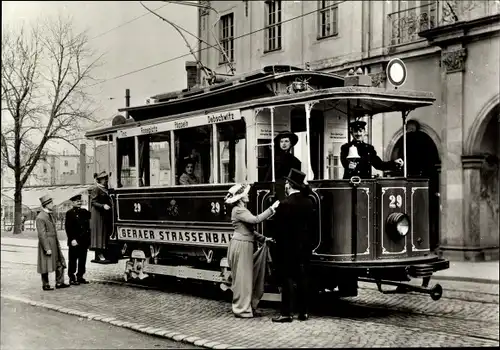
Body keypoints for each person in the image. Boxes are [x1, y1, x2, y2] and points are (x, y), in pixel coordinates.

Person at [225, 183, 279, 318]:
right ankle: (241, 309)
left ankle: (247, 307)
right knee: (243, 279)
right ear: (241, 198)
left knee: (247, 277)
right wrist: (271, 209)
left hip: (244, 244)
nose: (248, 195)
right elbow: (255, 220)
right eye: (246, 194)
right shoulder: (239, 210)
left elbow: (249, 231)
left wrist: (263, 239)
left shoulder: (241, 209)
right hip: (241, 245)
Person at [271, 169, 315, 323]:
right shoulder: (309, 202)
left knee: (287, 278)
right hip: (305, 247)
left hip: (287, 247)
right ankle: (303, 313)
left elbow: (277, 229)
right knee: (303, 278)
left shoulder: (285, 204)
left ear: (289, 185)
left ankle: (286, 313)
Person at [36, 194, 70, 291]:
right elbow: (42, 234)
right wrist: (47, 248)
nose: (52, 204)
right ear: (46, 205)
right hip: (47, 244)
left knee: (60, 262)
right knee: (45, 264)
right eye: (51, 203)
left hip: (54, 242)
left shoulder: (49, 214)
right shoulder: (41, 217)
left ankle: (59, 282)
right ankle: (45, 284)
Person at [264, 131, 302, 199]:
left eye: (286, 141)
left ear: (291, 143)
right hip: (276, 188)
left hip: (291, 189)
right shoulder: (275, 159)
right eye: (281, 141)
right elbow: (269, 175)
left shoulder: (296, 161)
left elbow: (296, 180)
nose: (284, 144)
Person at [65, 194, 91, 285]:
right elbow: (68, 228)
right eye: (77, 201)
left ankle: (80, 276)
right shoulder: (69, 213)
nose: (79, 203)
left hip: (83, 241)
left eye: (80, 201)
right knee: (72, 260)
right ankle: (71, 277)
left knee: (82, 260)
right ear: (72, 203)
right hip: (74, 241)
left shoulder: (84, 212)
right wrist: (72, 239)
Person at [90, 171, 113, 263]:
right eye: (104, 178)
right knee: (99, 232)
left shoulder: (105, 188)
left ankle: (103, 252)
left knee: (104, 232)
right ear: (100, 180)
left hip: (104, 214)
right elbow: (93, 202)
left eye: (106, 178)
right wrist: (103, 206)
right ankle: (99, 254)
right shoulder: (96, 189)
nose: (106, 180)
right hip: (98, 214)